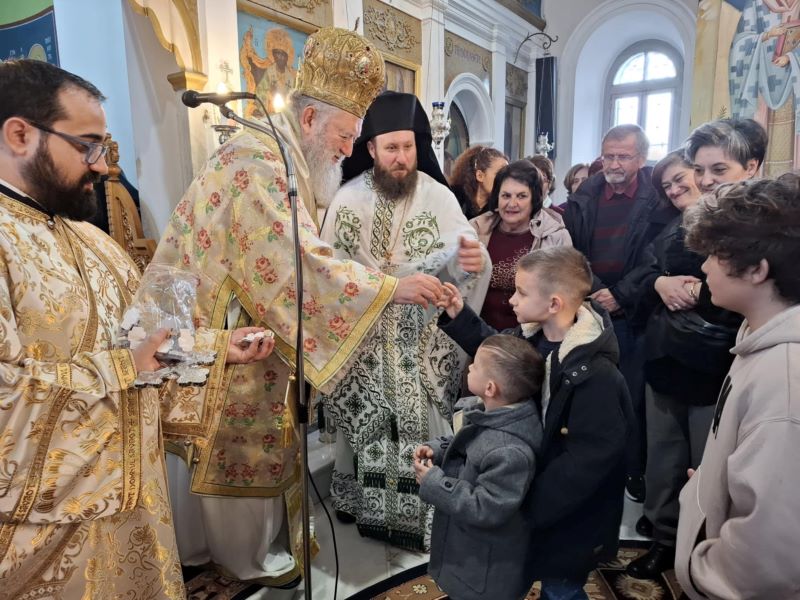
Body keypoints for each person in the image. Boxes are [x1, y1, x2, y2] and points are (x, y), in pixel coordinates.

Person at [156, 29, 446, 587]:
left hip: (236, 322)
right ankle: (236, 556)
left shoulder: (279, 155)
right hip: (219, 332)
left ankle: (230, 545)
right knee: (235, 435)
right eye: (343, 134)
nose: (347, 149)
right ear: (310, 120)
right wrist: (390, 288)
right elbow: (295, 264)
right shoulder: (259, 160)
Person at [0, 59, 274, 598]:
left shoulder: (94, 243)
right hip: (47, 546)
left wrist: (218, 349)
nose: (102, 166)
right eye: (88, 145)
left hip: (139, 523)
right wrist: (127, 367)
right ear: (19, 134)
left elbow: (144, 340)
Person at [319, 90, 490, 551]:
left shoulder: (438, 196)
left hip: (422, 343)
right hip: (366, 339)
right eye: (390, 148)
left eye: (409, 147)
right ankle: (365, 508)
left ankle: (423, 516)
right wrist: (386, 288)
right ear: (370, 149)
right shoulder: (347, 200)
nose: (401, 158)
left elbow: (467, 263)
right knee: (368, 427)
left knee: (423, 426)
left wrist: (474, 260)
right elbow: (327, 275)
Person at [436, 246, 633, 600]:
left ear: (554, 304)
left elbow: (588, 461)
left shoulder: (596, 377)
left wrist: (526, 507)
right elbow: (498, 357)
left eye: (521, 292)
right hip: (535, 496)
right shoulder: (534, 337)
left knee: (561, 589)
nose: (511, 300)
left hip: (568, 513)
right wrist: (458, 315)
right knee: (525, 573)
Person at [675, 176, 800, 599]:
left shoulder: (783, 379)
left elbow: (769, 553)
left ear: (756, 269)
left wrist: (700, 570)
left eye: (715, 254)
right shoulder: (760, 340)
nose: (704, 266)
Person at [624, 150, 742, 579]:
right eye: (667, 186)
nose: (676, 190)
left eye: (682, 179)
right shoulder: (665, 227)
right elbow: (638, 276)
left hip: (714, 365)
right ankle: (663, 541)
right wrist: (658, 281)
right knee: (664, 463)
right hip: (665, 359)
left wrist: (695, 293)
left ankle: (707, 553)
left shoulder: (738, 228)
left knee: (709, 468)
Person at [565, 123, 677, 502]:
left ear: (641, 158)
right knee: (590, 393)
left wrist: (622, 294)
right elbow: (574, 249)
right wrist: (596, 289)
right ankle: (594, 469)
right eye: (608, 155)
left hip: (636, 311)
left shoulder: (657, 198)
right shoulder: (586, 193)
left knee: (631, 396)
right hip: (591, 306)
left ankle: (632, 469)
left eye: (623, 156)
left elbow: (656, 257)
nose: (613, 163)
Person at [413, 334, 544, 600]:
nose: (469, 367)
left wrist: (434, 483)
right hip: (468, 546)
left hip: (486, 565)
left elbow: (487, 507)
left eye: (476, 366)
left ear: (490, 387)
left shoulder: (510, 451)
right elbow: (470, 444)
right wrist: (439, 451)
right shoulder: (494, 411)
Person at [471, 160, 572, 331]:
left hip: (530, 340)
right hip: (477, 334)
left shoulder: (555, 236)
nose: (512, 204)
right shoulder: (476, 230)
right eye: (506, 195)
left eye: (521, 196)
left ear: (534, 198)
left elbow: (565, 295)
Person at [685, 117, 767, 194]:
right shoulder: (695, 207)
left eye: (719, 170)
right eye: (698, 170)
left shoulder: (769, 208)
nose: (705, 182)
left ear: (750, 168)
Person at [449, 144, 508, 219]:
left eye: (507, 174)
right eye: (500, 173)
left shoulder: (501, 208)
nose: (506, 180)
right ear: (480, 176)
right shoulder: (453, 197)